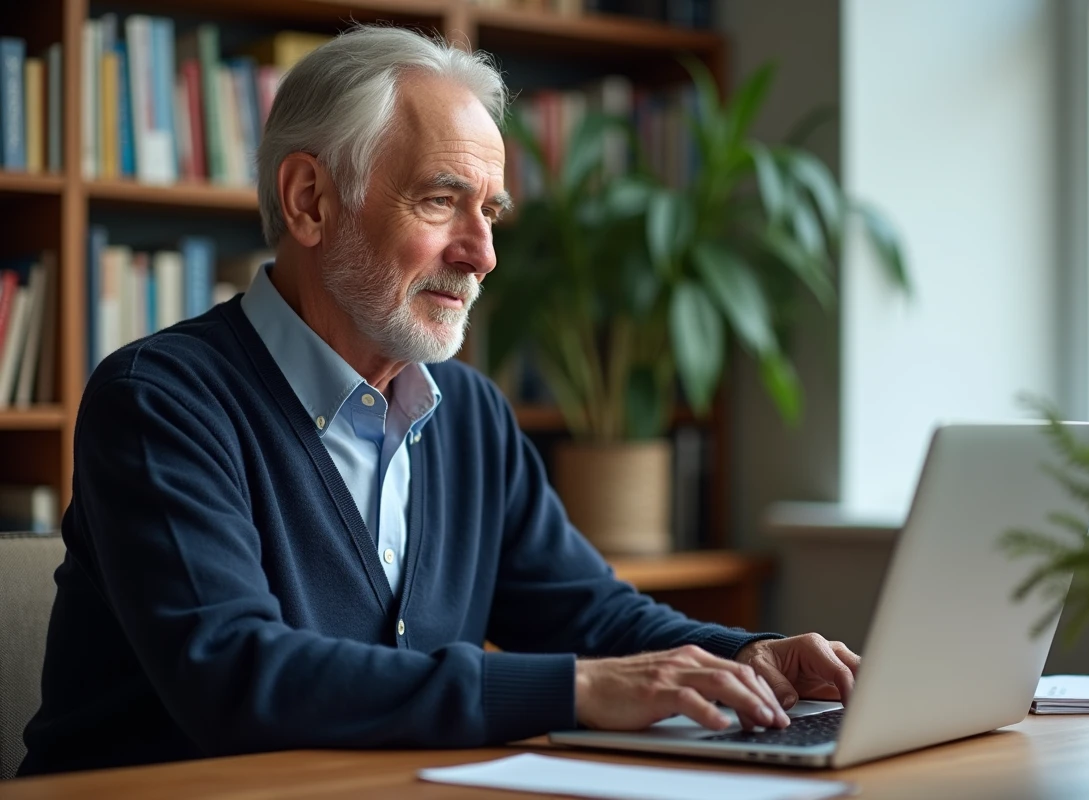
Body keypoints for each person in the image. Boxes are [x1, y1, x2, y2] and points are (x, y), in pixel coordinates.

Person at [19, 25, 860, 776]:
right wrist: (575, 691)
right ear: (310, 200)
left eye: (490, 211)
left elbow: (586, 614)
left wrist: (750, 654)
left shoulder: (471, 413)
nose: (483, 254)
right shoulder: (160, 401)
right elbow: (236, 675)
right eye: (441, 200)